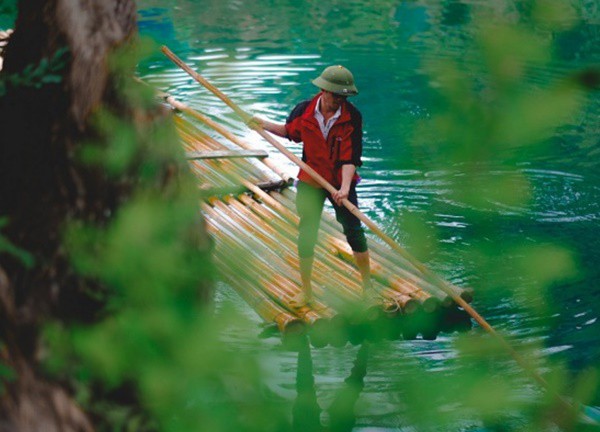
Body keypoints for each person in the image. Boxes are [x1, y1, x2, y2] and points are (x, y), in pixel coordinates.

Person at [249, 65, 372, 306]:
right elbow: (289, 132)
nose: (339, 100)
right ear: (323, 90)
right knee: (307, 233)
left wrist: (345, 188)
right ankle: (306, 292)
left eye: (343, 96)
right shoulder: (304, 111)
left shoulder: (352, 117)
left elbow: (351, 158)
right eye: (335, 95)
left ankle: (367, 288)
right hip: (310, 179)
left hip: (339, 182)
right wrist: (262, 124)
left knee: (354, 232)